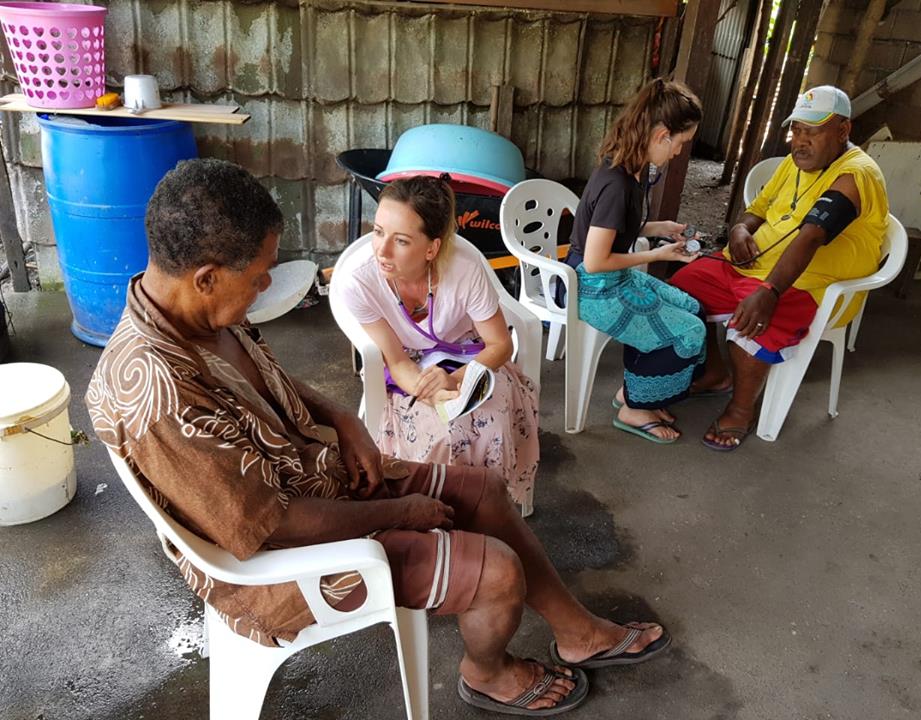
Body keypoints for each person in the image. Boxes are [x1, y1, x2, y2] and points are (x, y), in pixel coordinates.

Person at [86, 158, 672, 716]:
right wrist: (402, 510)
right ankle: (487, 674)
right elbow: (267, 527)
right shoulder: (158, 393)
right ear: (208, 277)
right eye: (260, 270)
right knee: (498, 573)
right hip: (281, 565)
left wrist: (343, 418)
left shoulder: (199, 309)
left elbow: (271, 381)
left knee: (486, 492)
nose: (268, 282)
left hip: (321, 483)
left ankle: (578, 633)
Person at [670, 86, 889, 450]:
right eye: (797, 130)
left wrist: (769, 291)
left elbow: (813, 235)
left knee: (751, 324)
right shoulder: (793, 162)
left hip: (811, 286)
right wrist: (740, 229)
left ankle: (741, 410)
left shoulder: (856, 173)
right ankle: (715, 373)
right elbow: (759, 207)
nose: (801, 142)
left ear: (843, 130)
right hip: (752, 266)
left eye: (813, 131)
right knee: (681, 287)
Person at [333, 176, 539, 516]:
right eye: (378, 231)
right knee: (439, 433)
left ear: (432, 248)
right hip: (408, 367)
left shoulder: (465, 270)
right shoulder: (360, 283)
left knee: (492, 418)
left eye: (400, 240)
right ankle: (441, 516)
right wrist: (427, 389)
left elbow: (500, 344)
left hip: (470, 356)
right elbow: (397, 362)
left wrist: (456, 380)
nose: (381, 250)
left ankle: (489, 511)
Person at [565, 77, 706, 443]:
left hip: (610, 280)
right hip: (591, 287)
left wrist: (661, 228)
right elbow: (595, 261)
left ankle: (634, 393)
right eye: (679, 144)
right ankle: (633, 408)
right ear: (661, 134)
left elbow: (617, 228)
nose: (677, 153)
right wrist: (658, 254)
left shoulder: (632, 168)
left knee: (691, 307)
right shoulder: (617, 183)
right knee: (690, 332)